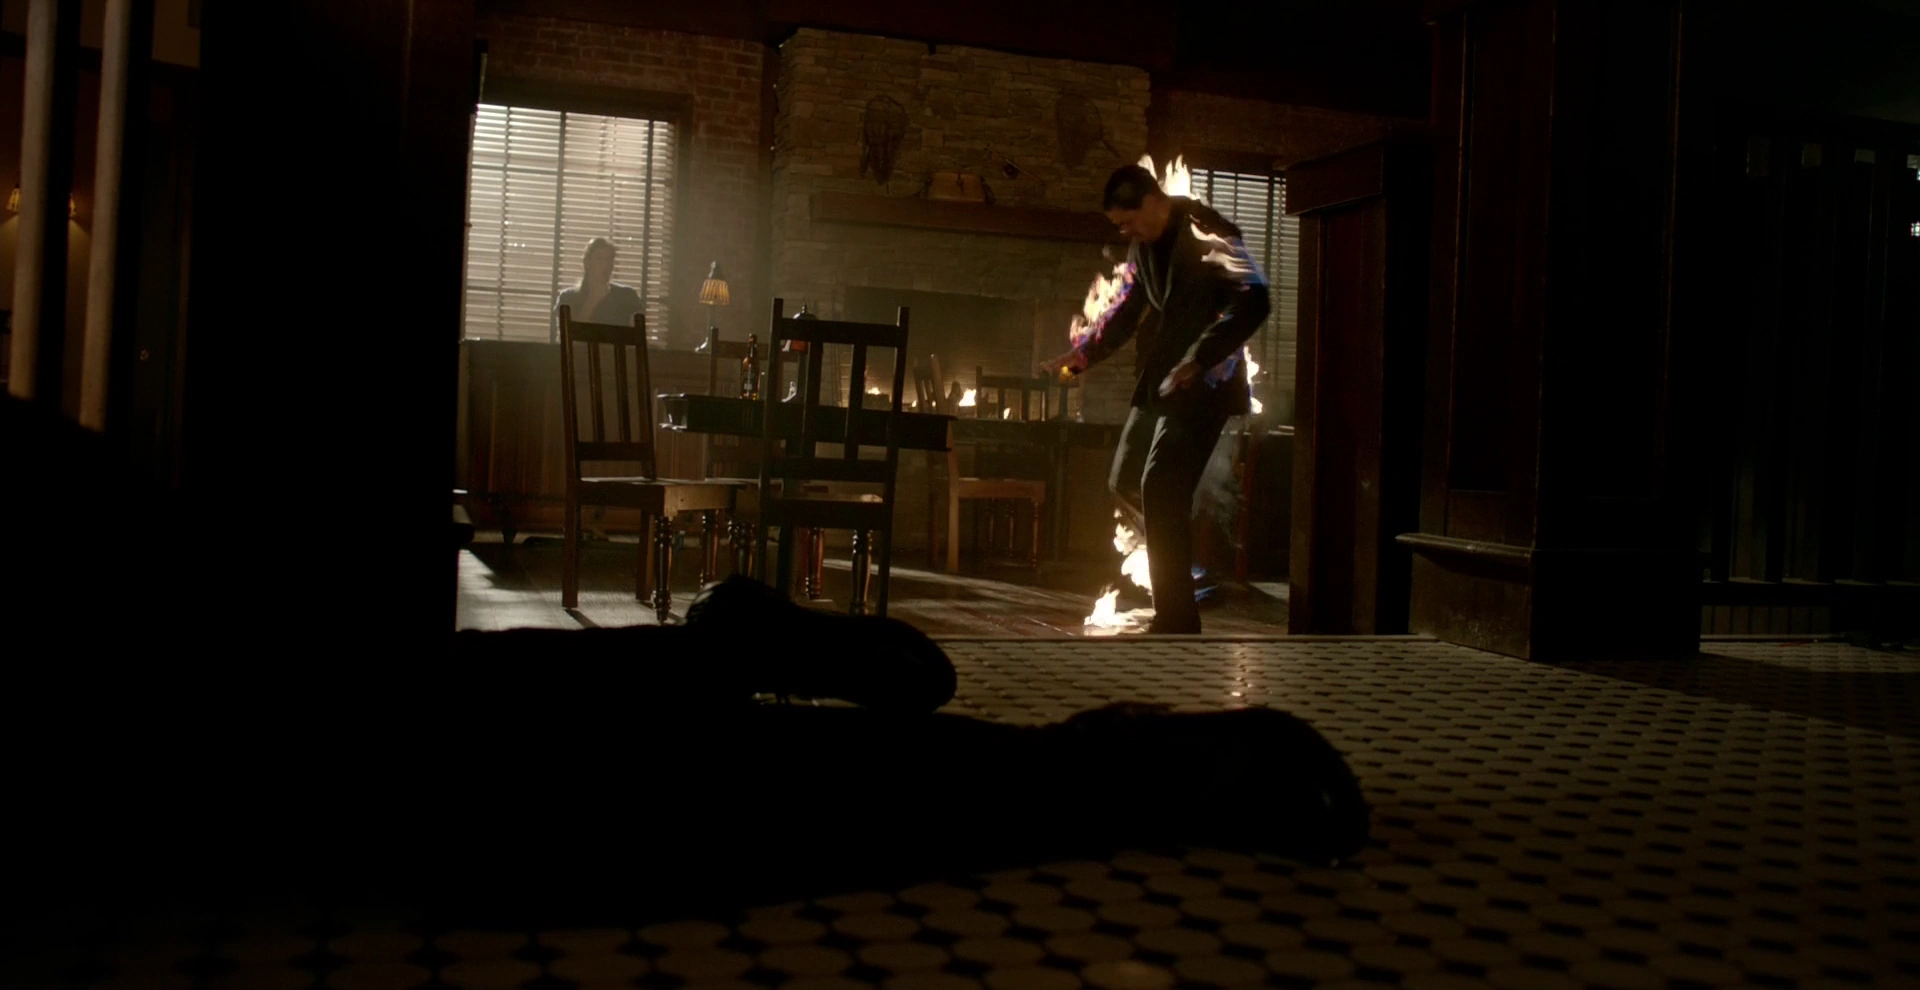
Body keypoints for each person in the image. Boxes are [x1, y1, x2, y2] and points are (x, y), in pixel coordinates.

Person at [1, 391, 1361, 928]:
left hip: (213, 715)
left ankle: (1116, 761)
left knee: (499, 776)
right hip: (223, 690)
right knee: (459, 741)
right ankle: (713, 651)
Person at [1046, 164, 1271, 635]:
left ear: (1152, 201)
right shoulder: (1142, 248)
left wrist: (1201, 359)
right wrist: (1083, 355)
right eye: (1119, 226)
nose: (1125, 232)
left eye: (1128, 221)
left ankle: (1177, 619)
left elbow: (1255, 301)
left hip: (1207, 382)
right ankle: (1187, 573)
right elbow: (1126, 309)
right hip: (1164, 381)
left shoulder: (1209, 232)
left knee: (1162, 487)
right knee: (1126, 478)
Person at [554, 236, 643, 327]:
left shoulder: (627, 295)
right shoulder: (567, 298)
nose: (606, 264)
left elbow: (637, 333)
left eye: (609, 259)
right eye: (600, 259)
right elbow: (568, 332)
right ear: (587, 262)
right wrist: (593, 300)